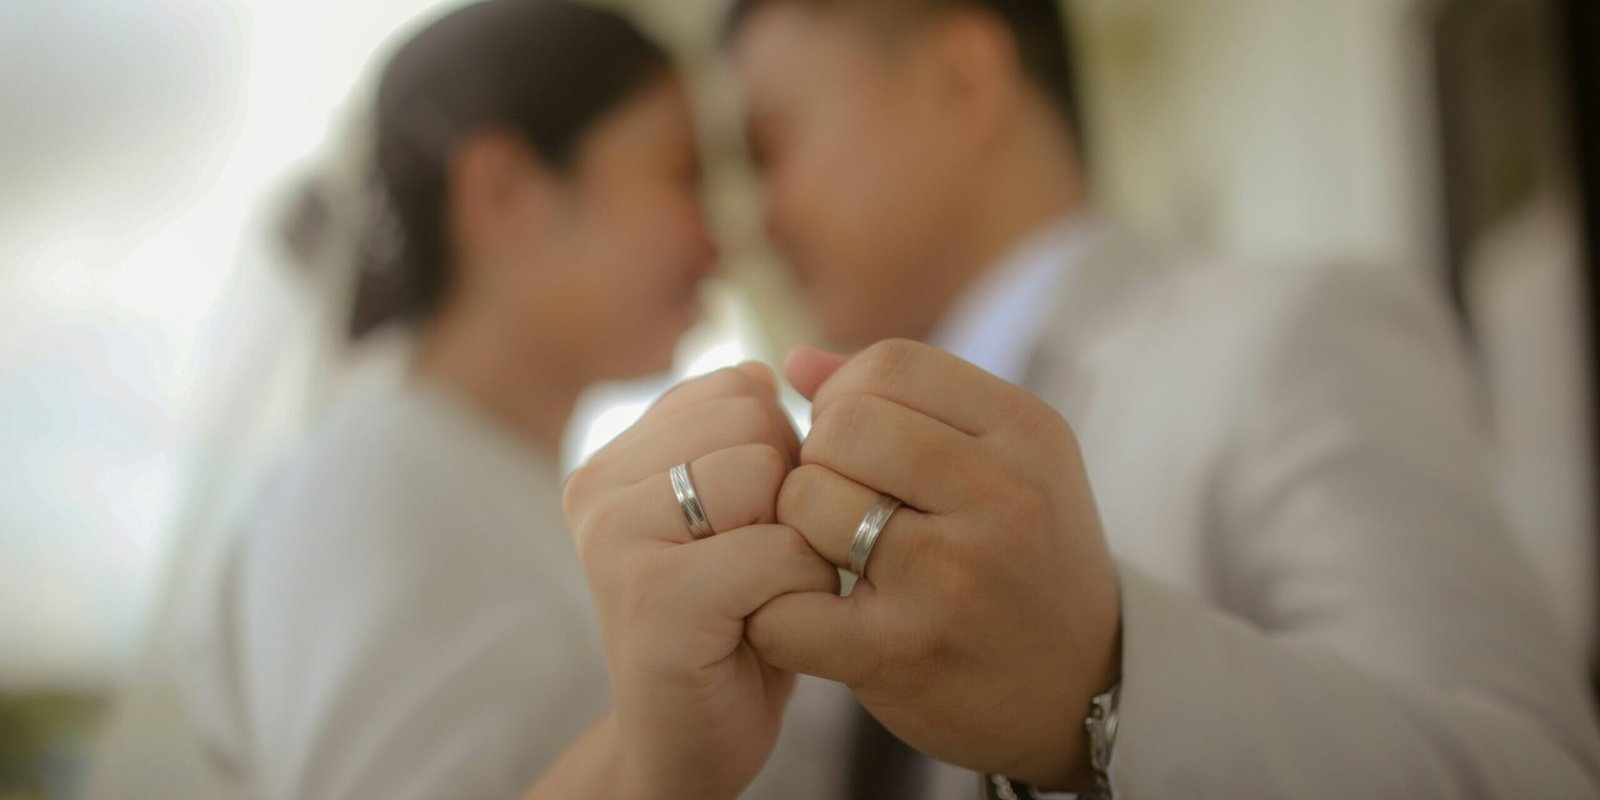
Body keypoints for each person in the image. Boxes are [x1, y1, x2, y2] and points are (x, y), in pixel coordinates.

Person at [528, 0, 1600, 797]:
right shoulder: (816, 469)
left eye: (771, 147)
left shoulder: (1299, 329)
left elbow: (1533, 772)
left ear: (964, 76)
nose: (752, 221)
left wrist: (1108, 678)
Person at [175, 2, 728, 797]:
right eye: (684, 173)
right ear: (502, 189)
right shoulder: (372, 493)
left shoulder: (483, 478)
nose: (720, 239)